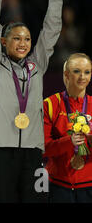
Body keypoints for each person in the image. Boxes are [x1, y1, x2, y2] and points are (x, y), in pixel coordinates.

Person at [0, 0, 65, 203]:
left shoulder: (37, 63)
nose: (23, 43)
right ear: (4, 42)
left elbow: (51, 27)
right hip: (1, 147)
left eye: (27, 39)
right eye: (16, 38)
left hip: (32, 147)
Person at [43, 53, 92, 203]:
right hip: (59, 186)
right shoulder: (50, 104)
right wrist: (68, 141)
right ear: (66, 74)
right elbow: (43, 148)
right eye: (77, 71)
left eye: (87, 72)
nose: (82, 76)